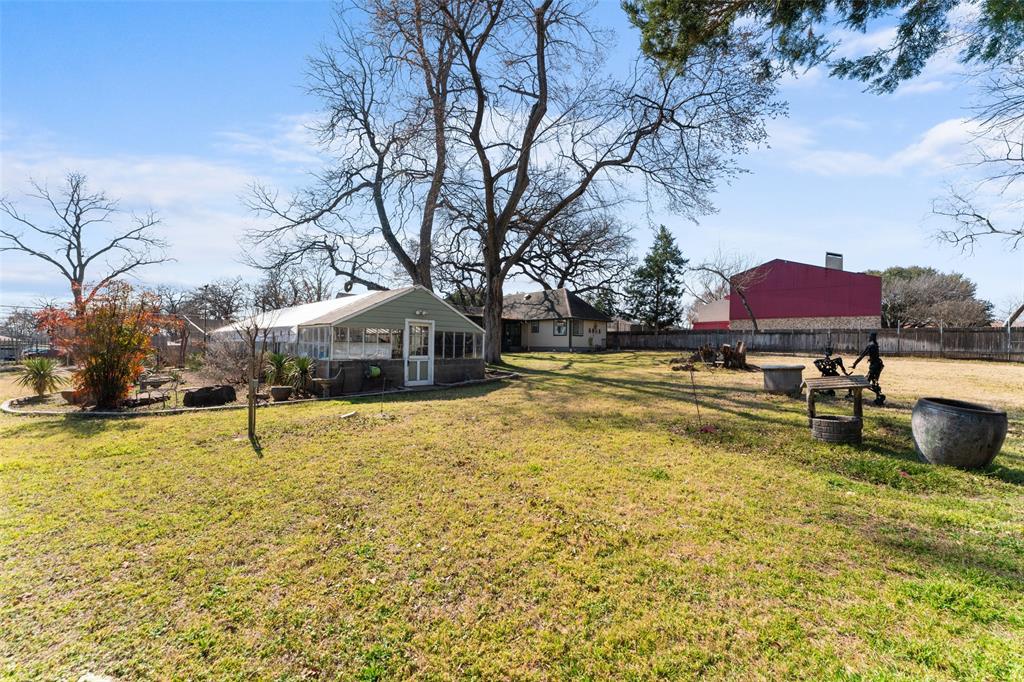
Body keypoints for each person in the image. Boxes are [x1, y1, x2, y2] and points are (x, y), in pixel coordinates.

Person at [852, 332, 886, 405]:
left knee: (867, 381)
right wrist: (871, 359)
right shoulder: (876, 345)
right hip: (879, 365)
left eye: (870, 336)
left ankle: (877, 396)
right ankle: (878, 396)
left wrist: (855, 364)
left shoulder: (870, 345)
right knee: (874, 381)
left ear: (871, 337)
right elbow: (875, 356)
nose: (869, 338)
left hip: (874, 366)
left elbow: (862, 356)